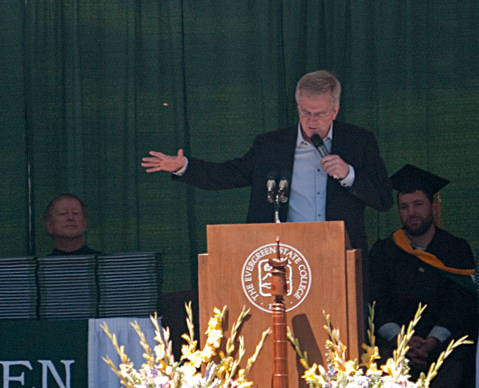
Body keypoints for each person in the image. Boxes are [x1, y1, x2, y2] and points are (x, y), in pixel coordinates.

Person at [141, 70, 393, 254]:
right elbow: (229, 174)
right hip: (283, 254)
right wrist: (184, 166)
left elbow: (383, 198)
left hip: (339, 254)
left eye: (320, 114)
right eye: (305, 112)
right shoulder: (271, 146)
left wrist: (349, 175)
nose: (311, 120)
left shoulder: (359, 142)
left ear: (335, 111)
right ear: (297, 107)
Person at [368, 165, 478, 388]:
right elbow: (378, 303)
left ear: (433, 207)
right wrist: (403, 342)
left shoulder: (455, 249)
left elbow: (460, 304)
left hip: (444, 346)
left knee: (457, 362)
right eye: (404, 206)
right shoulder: (384, 251)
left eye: (418, 204)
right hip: (395, 347)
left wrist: (431, 342)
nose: (411, 213)